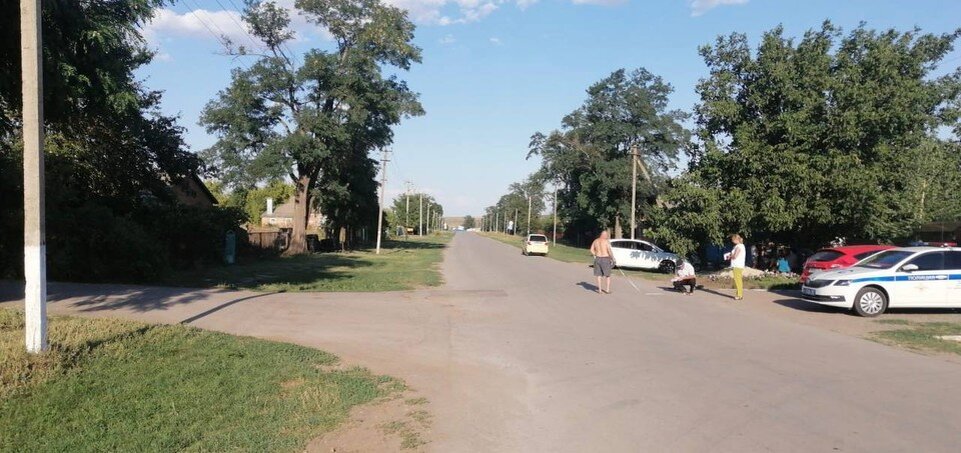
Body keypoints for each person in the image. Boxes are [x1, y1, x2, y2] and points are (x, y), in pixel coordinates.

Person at [723, 234, 746, 300]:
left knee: (738, 280)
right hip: (738, 265)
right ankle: (739, 294)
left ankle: (739, 295)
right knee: (738, 280)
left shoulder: (739, 246)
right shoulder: (739, 246)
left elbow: (735, 256)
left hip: (737, 265)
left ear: (736, 240)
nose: (732, 241)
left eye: (733, 240)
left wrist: (729, 257)